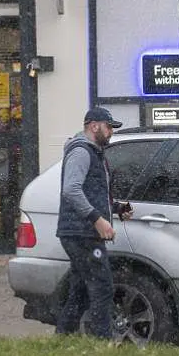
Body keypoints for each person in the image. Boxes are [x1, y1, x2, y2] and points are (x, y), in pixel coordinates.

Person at [55, 107, 133, 340]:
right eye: (109, 127)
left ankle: (63, 335)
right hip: (81, 232)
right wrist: (97, 220)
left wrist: (116, 208)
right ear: (94, 126)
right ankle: (103, 341)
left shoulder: (94, 152)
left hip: (80, 231)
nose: (111, 132)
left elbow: (92, 192)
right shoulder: (82, 152)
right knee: (102, 286)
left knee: (81, 289)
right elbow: (71, 190)